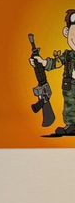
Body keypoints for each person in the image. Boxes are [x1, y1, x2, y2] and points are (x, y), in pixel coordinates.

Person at [32, 8, 75, 136]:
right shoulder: (67, 55)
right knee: (70, 106)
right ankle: (72, 125)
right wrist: (42, 62)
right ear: (66, 32)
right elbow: (56, 62)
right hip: (69, 87)